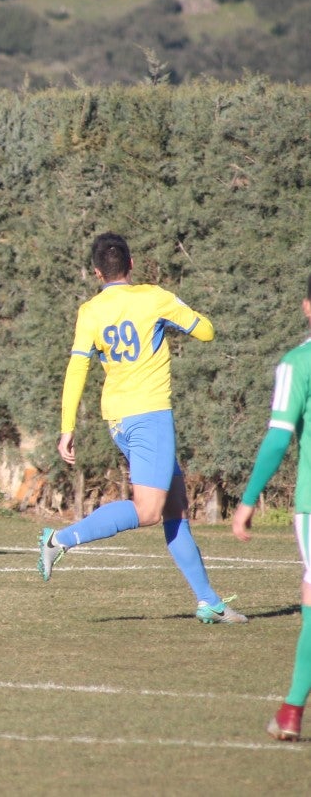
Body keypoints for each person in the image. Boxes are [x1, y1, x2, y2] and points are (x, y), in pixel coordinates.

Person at [38, 232, 246, 624]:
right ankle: (59, 540)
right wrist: (179, 310)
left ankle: (208, 601)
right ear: (131, 265)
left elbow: (77, 368)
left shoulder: (90, 311)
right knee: (149, 510)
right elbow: (206, 330)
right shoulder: (155, 297)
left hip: (118, 419)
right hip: (150, 415)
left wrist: (67, 427)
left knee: (175, 510)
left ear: (97, 272)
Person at [231, 272, 311, 741]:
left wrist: (246, 502)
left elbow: (279, 437)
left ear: (306, 306)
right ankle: (290, 710)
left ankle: (292, 711)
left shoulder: (297, 364)